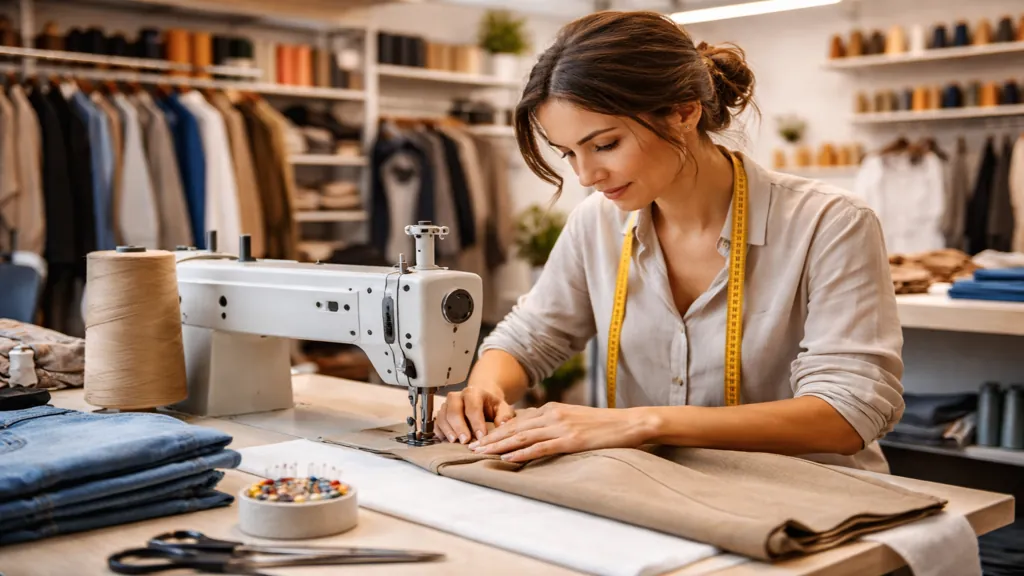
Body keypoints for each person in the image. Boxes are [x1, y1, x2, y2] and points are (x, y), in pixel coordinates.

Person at [435, 10, 904, 473]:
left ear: (683, 112)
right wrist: (485, 390)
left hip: (818, 505)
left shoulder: (830, 222)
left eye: (604, 145)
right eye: (569, 154)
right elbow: (530, 338)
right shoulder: (595, 225)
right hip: (665, 495)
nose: (586, 175)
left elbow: (847, 415)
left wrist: (642, 423)